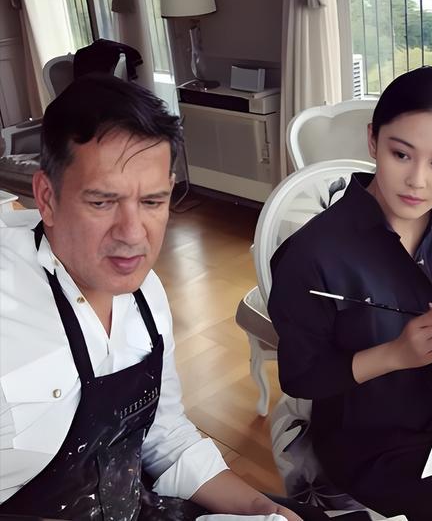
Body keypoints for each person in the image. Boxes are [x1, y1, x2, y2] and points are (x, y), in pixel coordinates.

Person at [0, 74, 326, 520]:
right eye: (102, 203)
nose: (134, 235)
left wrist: (260, 507)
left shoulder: (146, 296)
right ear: (46, 196)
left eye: (152, 202)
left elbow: (164, 435)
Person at [268, 67, 432, 520]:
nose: (417, 181)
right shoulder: (312, 254)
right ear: (373, 140)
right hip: (371, 446)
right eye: (401, 154)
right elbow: (301, 377)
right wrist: (393, 355)